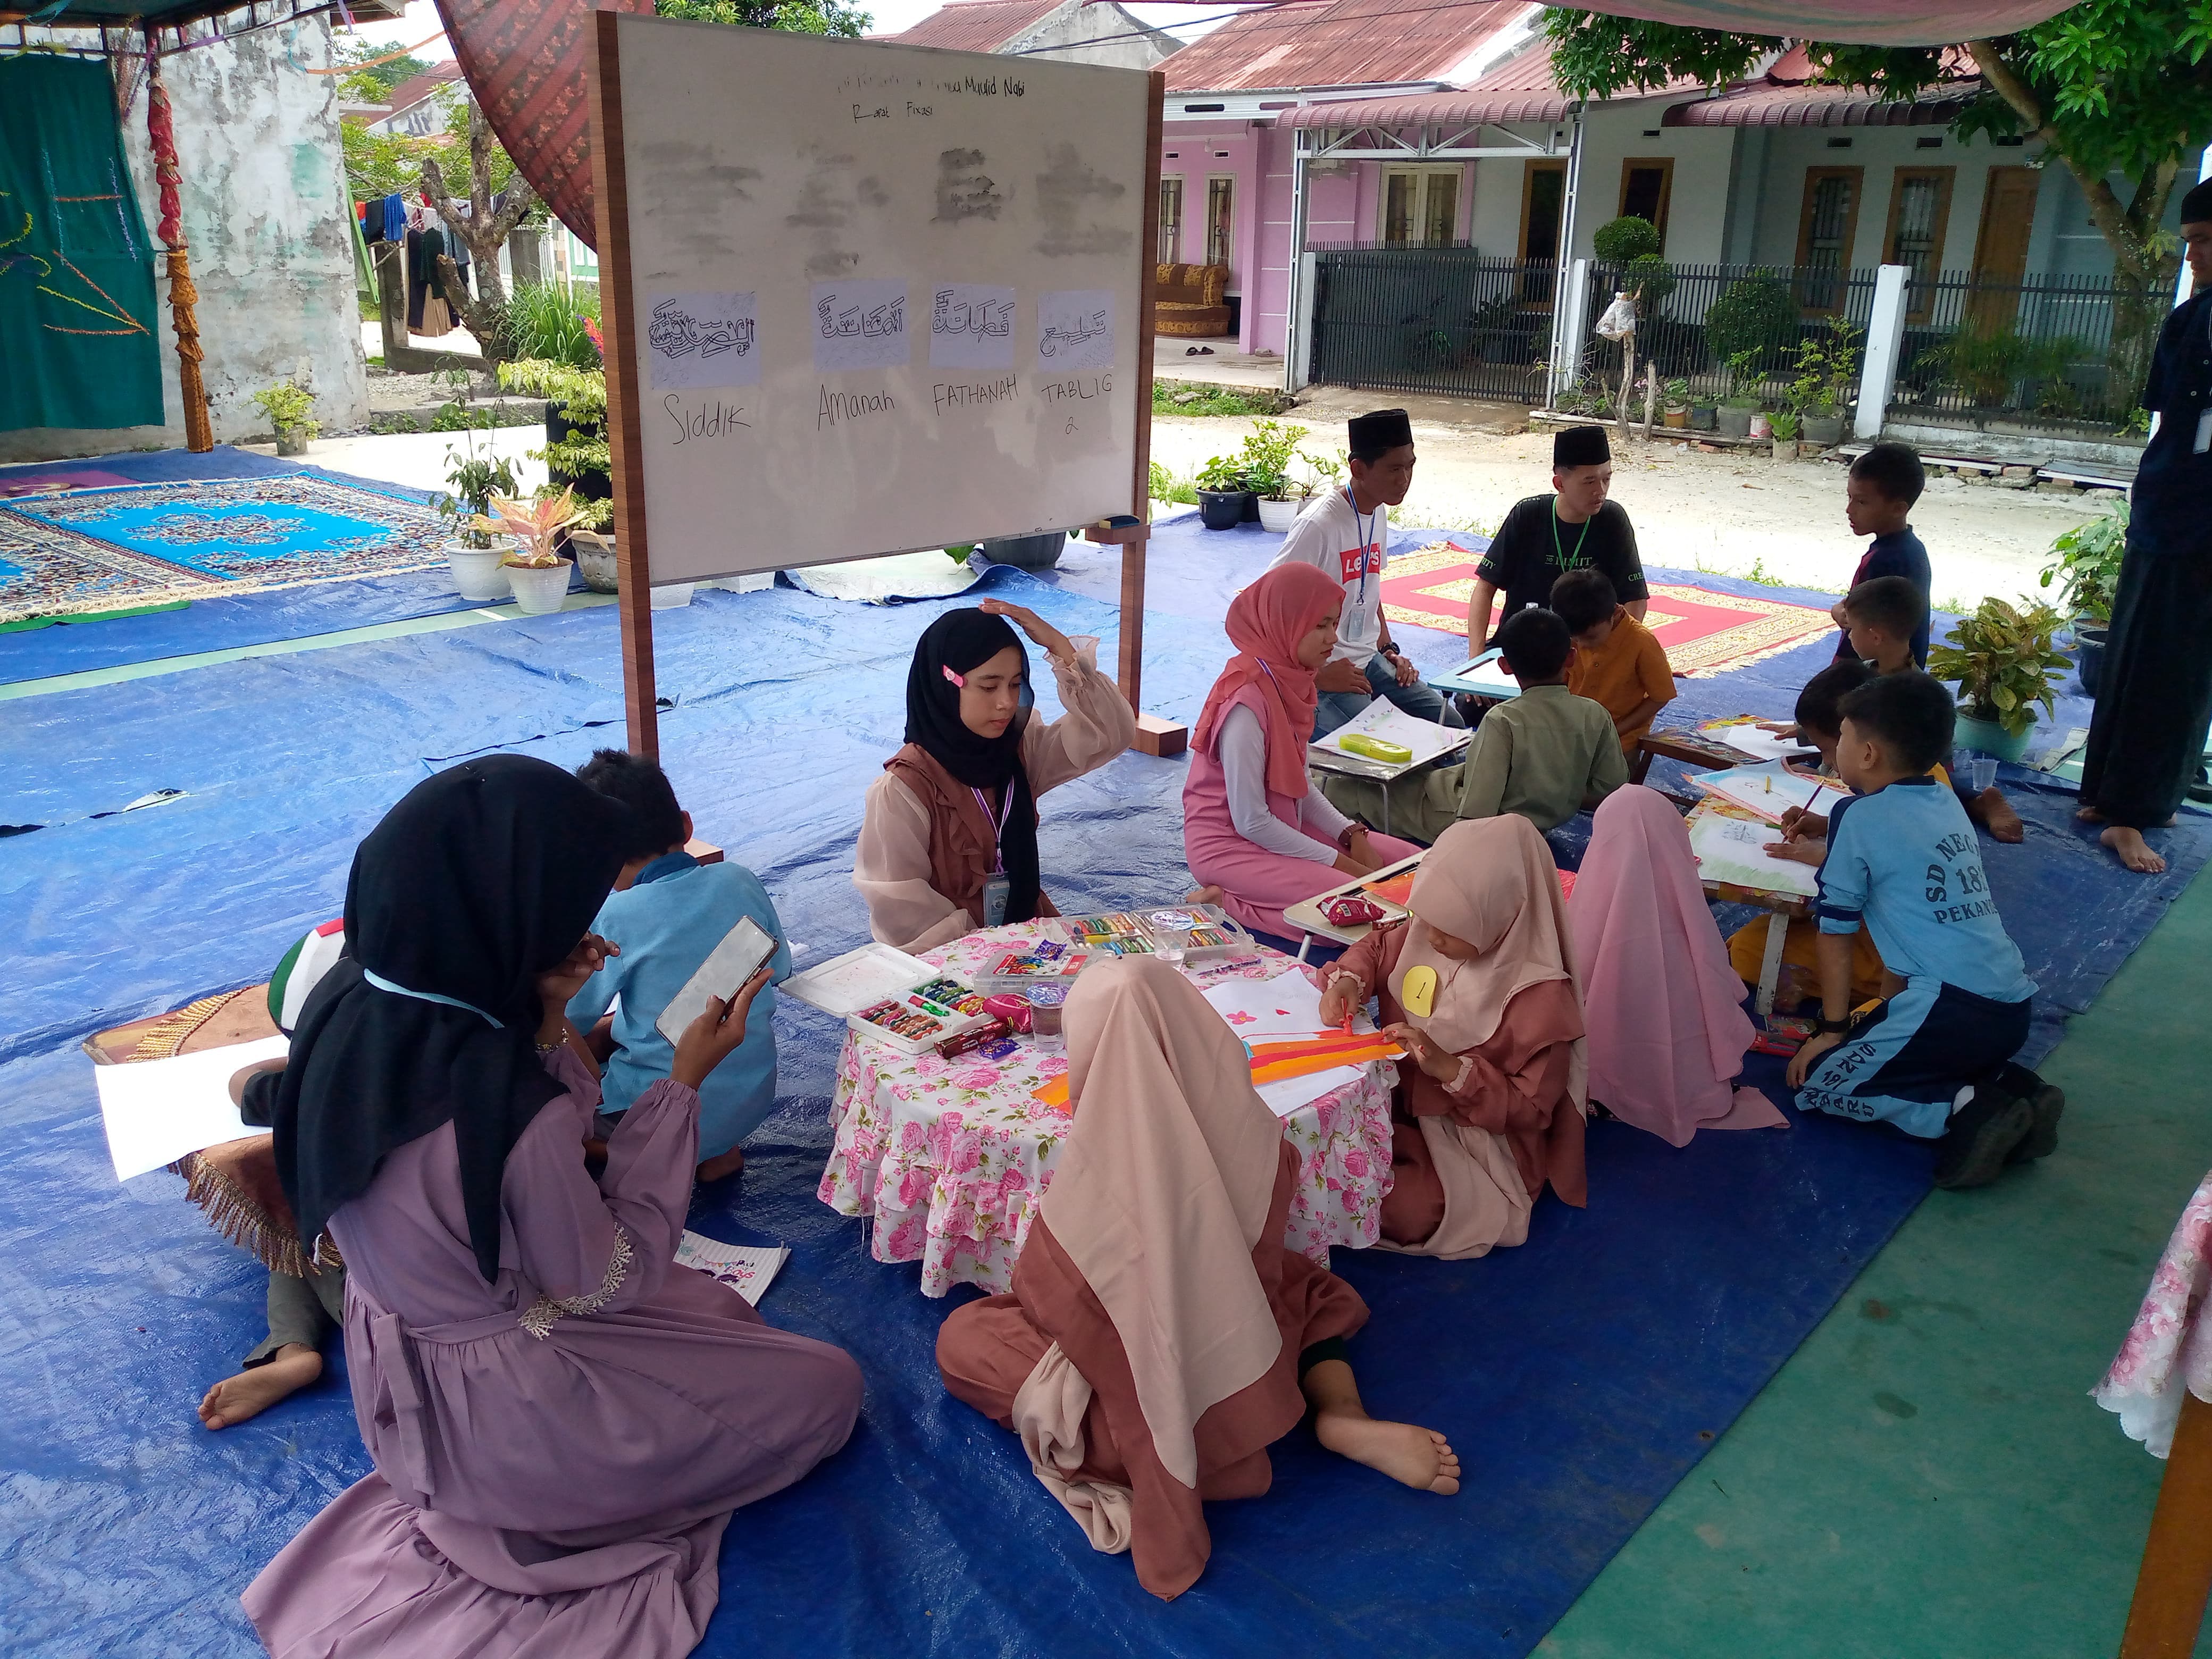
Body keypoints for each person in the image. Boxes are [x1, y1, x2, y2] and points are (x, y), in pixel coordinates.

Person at [240, 756, 862, 1656]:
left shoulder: (356, 999)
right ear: (518, 925)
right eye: (569, 913)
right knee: (824, 1388)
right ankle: (572, 1500)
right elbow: (612, 1276)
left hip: (407, 1371)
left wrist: (551, 1011)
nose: (587, 930)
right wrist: (680, 1084)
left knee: (712, 1313)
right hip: (509, 1413)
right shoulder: (507, 1112)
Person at [936, 957, 1459, 1602]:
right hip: (1248, 1351)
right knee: (1307, 1286)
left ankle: (1168, 1451)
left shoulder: (1106, 1175)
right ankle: (1338, 1412)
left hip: (1161, 1404)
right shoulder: (1254, 1129)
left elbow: (1061, 1303)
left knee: (964, 1338)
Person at [1784, 674, 2063, 1189]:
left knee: (1818, 1086)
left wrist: (1831, 1029)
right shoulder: (1941, 799)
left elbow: (1835, 931)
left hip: (1950, 1009)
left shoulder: (1856, 814)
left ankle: (1967, 1110)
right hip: (2007, 1007)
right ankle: (2012, 1087)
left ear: (1866, 754)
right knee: (1894, 1052)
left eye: (1840, 737)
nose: (1834, 748)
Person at [1318, 816, 1587, 1255]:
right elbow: (1378, 947)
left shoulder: (1538, 997)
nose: (1433, 938)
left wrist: (1453, 1070)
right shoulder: (1427, 931)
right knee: (1316, 1142)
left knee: (1409, 1208)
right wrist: (1350, 979)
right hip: (1400, 1100)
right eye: (1426, 919)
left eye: (1452, 928)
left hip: (1473, 1136)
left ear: (1503, 917)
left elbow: (1532, 1110)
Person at [566, 749, 792, 1185]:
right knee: (651, 1026)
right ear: (686, 826)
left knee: (554, 1100)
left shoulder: (616, 916)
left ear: (597, 859)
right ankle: (716, 1154)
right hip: (750, 1100)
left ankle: (625, 1154)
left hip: (661, 1115)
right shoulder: (739, 878)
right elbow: (777, 969)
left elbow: (567, 1019)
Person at [855, 599, 1135, 951]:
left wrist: (1062, 650)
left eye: (1016, 684)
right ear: (946, 683)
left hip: (1027, 942)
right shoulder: (903, 791)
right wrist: (992, 950)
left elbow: (1110, 733)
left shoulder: (1017, 750)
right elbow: (901, 910)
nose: (1005, 702)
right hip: (950, 963)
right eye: (989, 687)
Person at [2077, 180, 2212, 875]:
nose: (2194, 257)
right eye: (2190, 242)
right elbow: (2170, 412)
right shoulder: (2191, 319)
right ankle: (2111, 799)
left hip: (2203, 530)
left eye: (2207, 242)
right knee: (2137, 660)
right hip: (2167, 512)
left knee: (2178, 673)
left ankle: (2138, 808)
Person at [1184, 562, 1423, 938]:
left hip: (1285, 824)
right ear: (1286, 623)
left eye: (1334, 624)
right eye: (1321, 625)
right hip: (1230, 845)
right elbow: (1251, 821)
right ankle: (1226, 903)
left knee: (1415, 868)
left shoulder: (1292, 681)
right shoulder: (1245, 704)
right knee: (1358, 907)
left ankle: (1282, 893)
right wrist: (1348, 867)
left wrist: (1352, 836)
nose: (1334, 637)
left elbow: (1302, 787)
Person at [197, 923, 349, 1434]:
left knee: (292, 1232)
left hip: (387, 1303)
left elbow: (241, 1082)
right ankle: (293, 1351)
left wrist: (307, 1058)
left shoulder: (302, 1093)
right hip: (478, 1292)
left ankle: (293, 1348)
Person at [1569, 787, 1786, 1145]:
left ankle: (1609, 1093)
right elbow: (1722, 984)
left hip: (1599, 1067)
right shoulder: (1691, 917)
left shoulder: (1586, 913)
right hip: (1689, 1073)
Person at [1326, 608, 1627, 843]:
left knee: (1343, 786)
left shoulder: (1503, 721)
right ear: (1572, 657)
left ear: (1505, 666)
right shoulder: (1595, 715)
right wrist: (1556, 792)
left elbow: (1475, 814)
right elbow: (1611, 786)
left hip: (1458, 817)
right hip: (1531, 825)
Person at [1267, 407, 1449, 739]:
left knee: (1446, 724)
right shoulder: (1318, 525)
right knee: (1384, 744)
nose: (1404, 480)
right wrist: (1313, 676)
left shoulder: (1377, 510)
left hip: (1370, 660)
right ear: (1358, 469)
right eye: (1394, 468)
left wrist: (1388, 649)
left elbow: (1368, 588)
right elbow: (1266, 611)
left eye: (1410, 467)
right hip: (1323, 671)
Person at [1731, 658, 1890, 1010]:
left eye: (1831, 748)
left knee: (1745, 950)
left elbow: (1892, 874)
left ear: (1867, 748)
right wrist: (1827, 825)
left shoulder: (1895, 798)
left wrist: (1828, 858)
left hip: (1890, 954)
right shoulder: (1903, 780)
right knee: (1747, 941)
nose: (1826, 761)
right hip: (1877, 933)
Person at [1839, 576, 2026, 843]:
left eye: (1851, 630)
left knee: (1925, 785)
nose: (1849, 636)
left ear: (1875, 636)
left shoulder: (1910, 695)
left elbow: (1931, 762)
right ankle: (1974, 800)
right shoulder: (1866, 676)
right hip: (1895, 767)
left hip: (1909, 775)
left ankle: (1976, 802)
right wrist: (1801, 731)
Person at [1465, 424, 1648, 647]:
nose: (1600, 490)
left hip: (1588, 651)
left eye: (1606, 479)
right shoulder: (1529, 514)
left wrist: (1611, 654)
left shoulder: (1612, 519)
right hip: (1522, 648)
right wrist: (1475, 657)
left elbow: (1636, 598)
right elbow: (1485, 587)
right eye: (1589, 481)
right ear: (1560, 483)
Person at [1553, 566, 1675, 757]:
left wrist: (1614, 733)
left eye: (1590, 637)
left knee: (1612, 786)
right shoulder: (1570, 635)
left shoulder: (1642, 642)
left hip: (1620, 742)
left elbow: (1660, 697)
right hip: (1574, 734)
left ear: (1616, 613)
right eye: (1575, 638)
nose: (1582, 644)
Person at [1833, 442, 1932, 667]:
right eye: (1849, 498)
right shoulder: (1913, 549)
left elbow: (1864, 625)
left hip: (1874, 675)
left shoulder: (1883, 560)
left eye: (1861, 502)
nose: (1849, 509)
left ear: (1899, 509)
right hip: (1901, 672)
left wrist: (1840, 612)